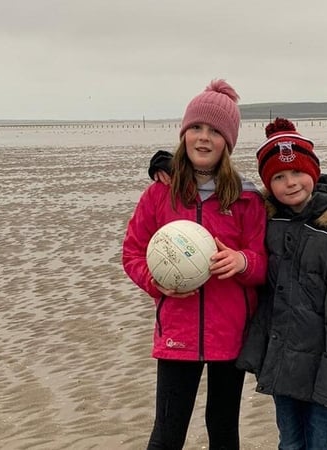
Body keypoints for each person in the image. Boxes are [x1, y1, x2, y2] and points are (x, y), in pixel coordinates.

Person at [122, 79, 268, 450]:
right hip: (177, 332)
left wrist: (241, 261)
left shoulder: (247, 199)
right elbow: (132, 253)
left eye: (215, 131)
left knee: (223, 431)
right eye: (196, 128)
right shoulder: (160, 192)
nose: (204, 138)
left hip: (230, 334)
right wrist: (157, 284)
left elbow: (263, 263)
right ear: (184, 134)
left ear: (228, 143)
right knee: (167, 434)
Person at [235, 118, 327, 450]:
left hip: (326, 369)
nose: (290, 183)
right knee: (290, 443)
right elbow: (224, 199)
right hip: (282, 365)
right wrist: (168, 168)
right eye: (279, 177)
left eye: (297, 172)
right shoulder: (270, 223)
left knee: (322, 444)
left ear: (313, 171)